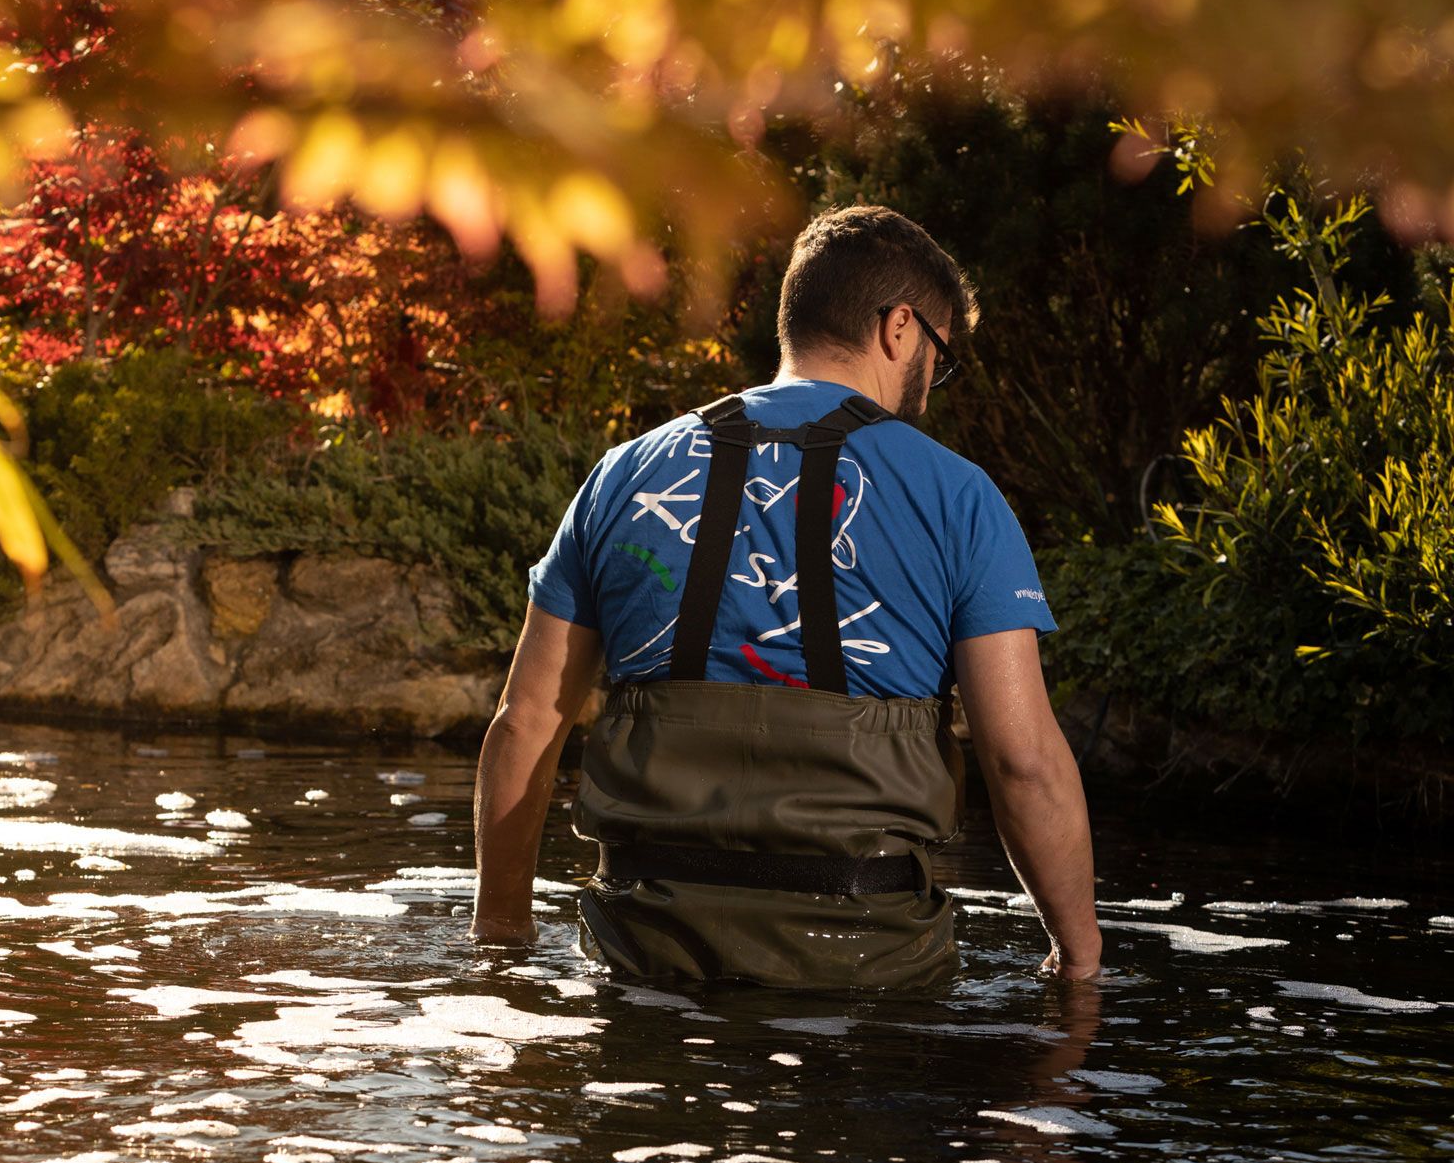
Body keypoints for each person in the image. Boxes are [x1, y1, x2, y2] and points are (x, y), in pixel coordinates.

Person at [469, 205, 1101, 987]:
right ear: (900, 328)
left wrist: (500, 935)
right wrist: (1079, 962)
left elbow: (525, 721)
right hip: (866, 970)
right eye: (941, 356)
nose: (933, 386)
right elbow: (1023, 762)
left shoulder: (622, 475)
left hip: (647, 957)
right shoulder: (960, 498)